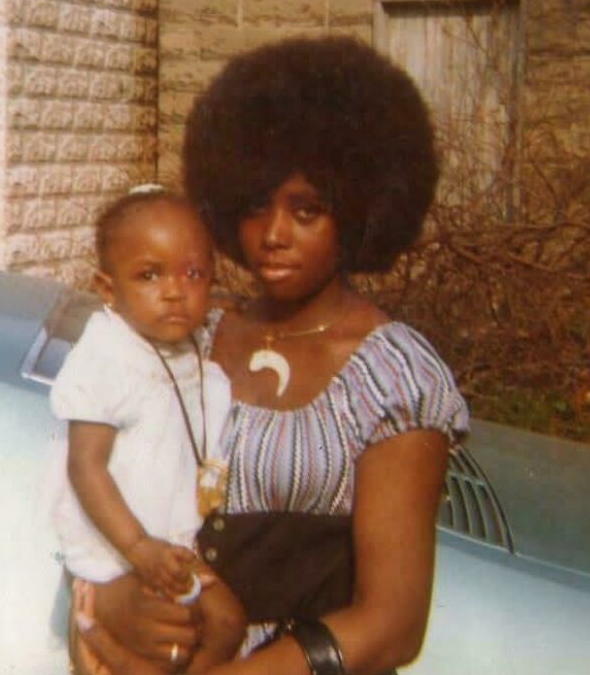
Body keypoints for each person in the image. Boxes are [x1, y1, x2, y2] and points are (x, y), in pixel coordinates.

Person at [73, 36, 470, 675]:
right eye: (256, 205)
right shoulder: (190, 339)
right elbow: (101, 494)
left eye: (307, 210)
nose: (274, 235)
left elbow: (391, 626)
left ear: (359, 212)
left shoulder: (394, 377)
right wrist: (111, 604)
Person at [49, 187, 246, 673]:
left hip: (171, 545)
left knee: (227, 621)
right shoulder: (107, 357)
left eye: (193, 273)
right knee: (156, 644)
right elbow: (85, 466)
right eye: (149, 275)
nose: (175, 290)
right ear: (108, 289)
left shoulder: (190, 352)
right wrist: (137, 549)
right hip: (116, 552)